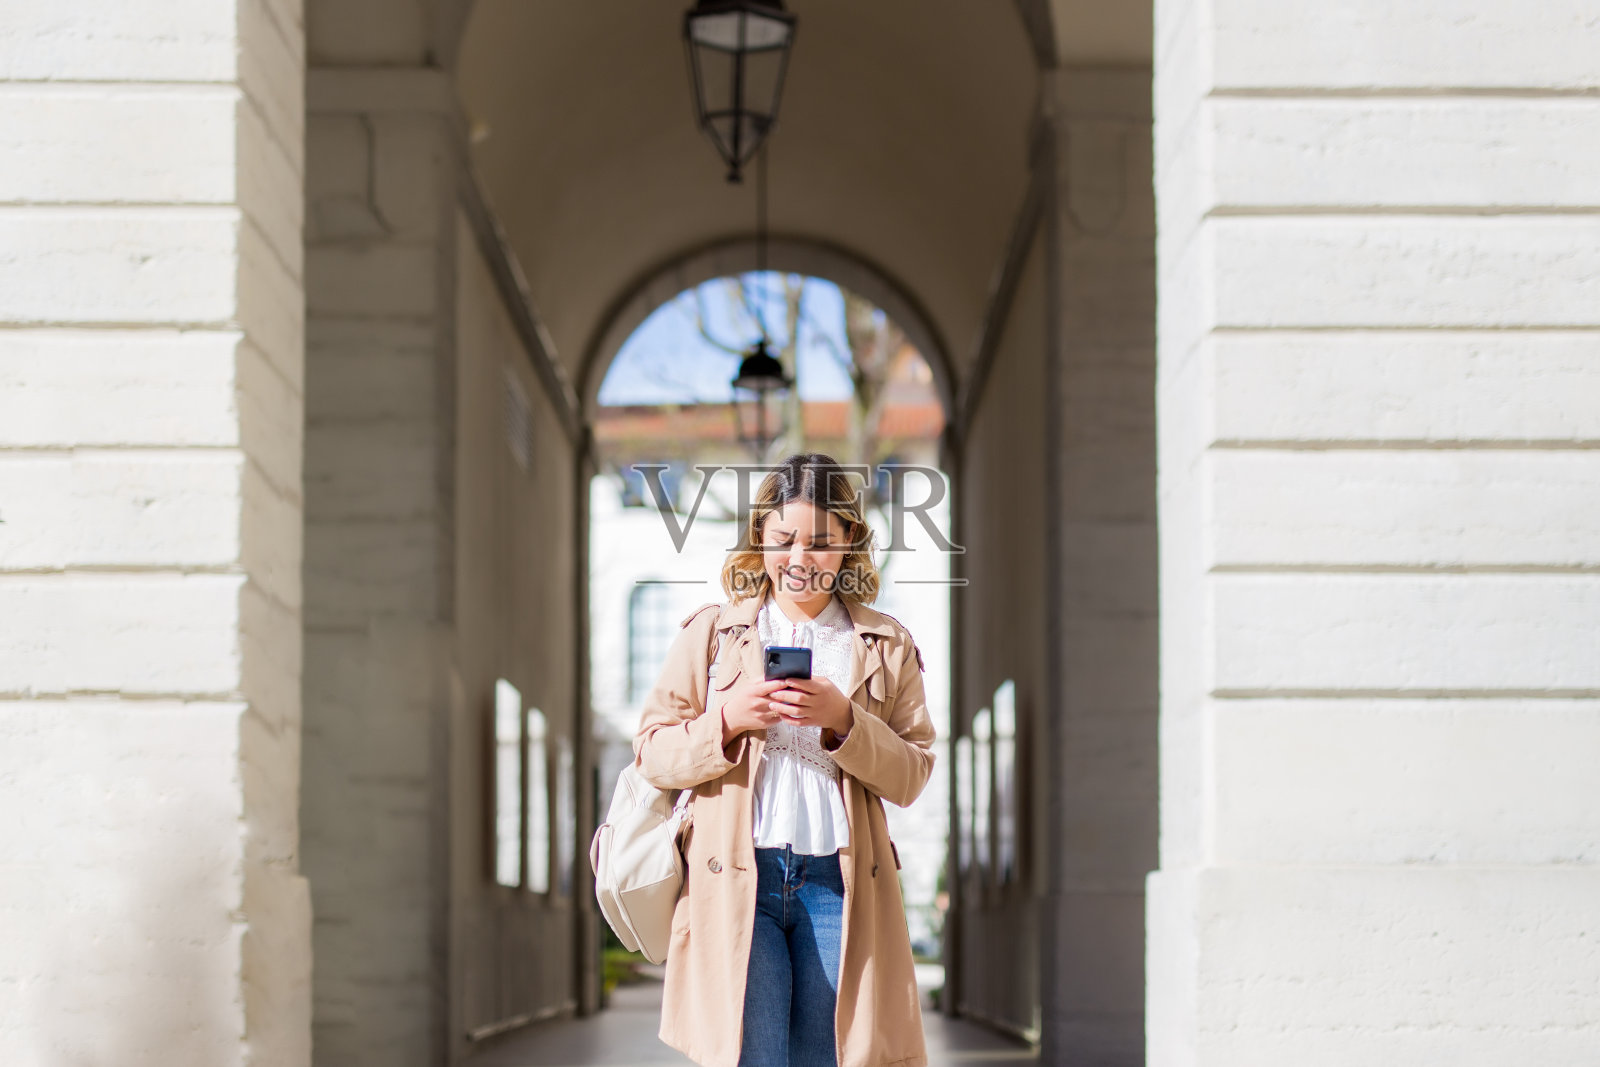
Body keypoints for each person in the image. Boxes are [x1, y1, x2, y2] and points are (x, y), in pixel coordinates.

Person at [633, 452, 937, 1067]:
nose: (800, 559)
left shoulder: (887, 644)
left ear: (851, 540)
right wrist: (727, 720)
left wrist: (845, 722)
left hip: (839, 883)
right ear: (760, 538)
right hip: (737, 878)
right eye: (784, 539)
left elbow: (913, 774)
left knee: (829, 1055)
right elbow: (653, 752)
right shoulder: (714, 634)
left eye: (822, 541)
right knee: (756, 1056)